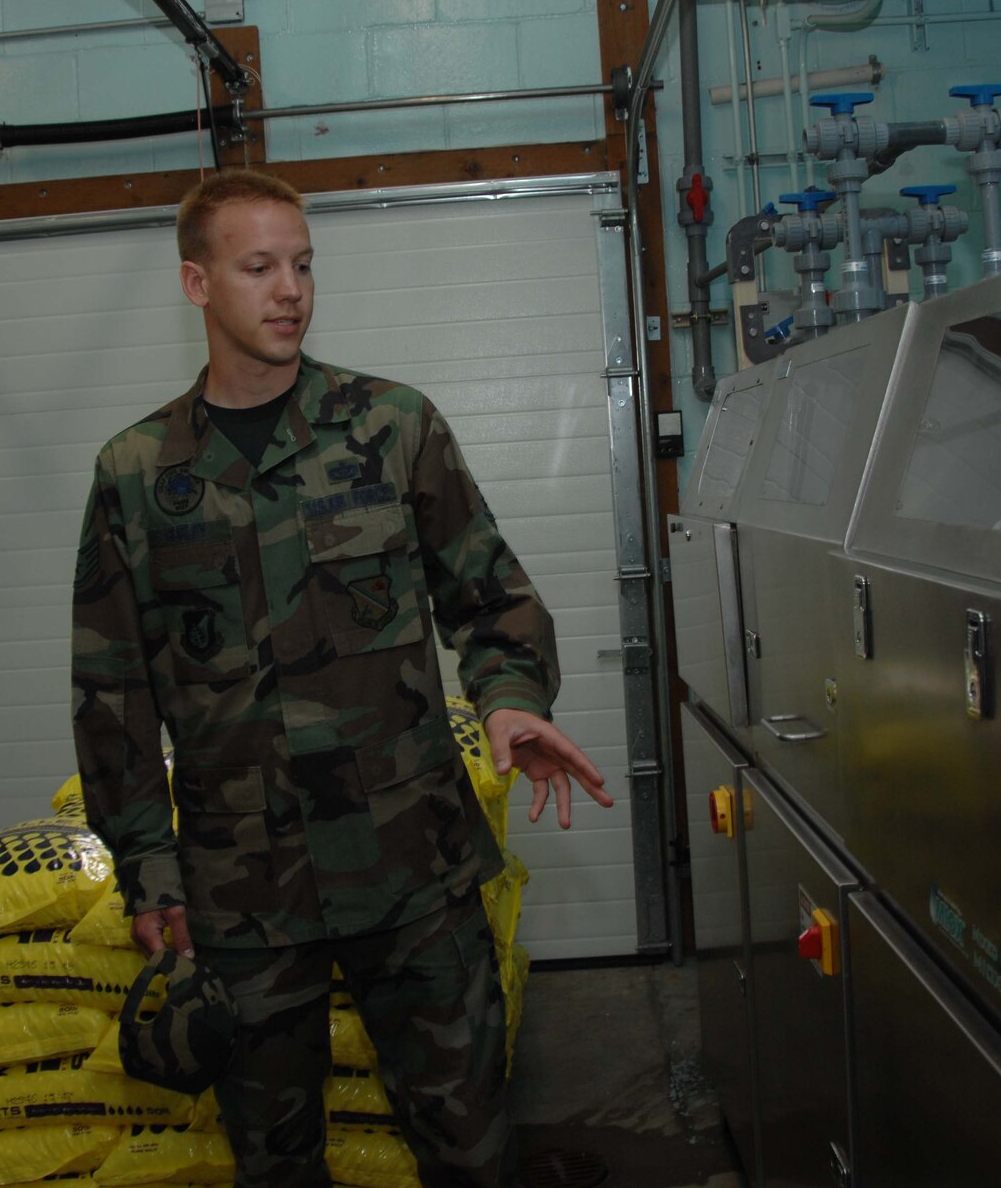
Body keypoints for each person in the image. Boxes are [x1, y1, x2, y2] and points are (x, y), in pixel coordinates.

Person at [71, 169, 614, 1187]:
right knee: (275, 1162)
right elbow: (111, 688)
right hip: (242, 890)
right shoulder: (137, 473)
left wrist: (509, 698)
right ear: (196, 282)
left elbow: (492, 597)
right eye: (258, 266)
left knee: (470, 1142)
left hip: (411, 865)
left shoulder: (391, 425)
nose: (289, 290)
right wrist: (147, 866)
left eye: (303, 264)